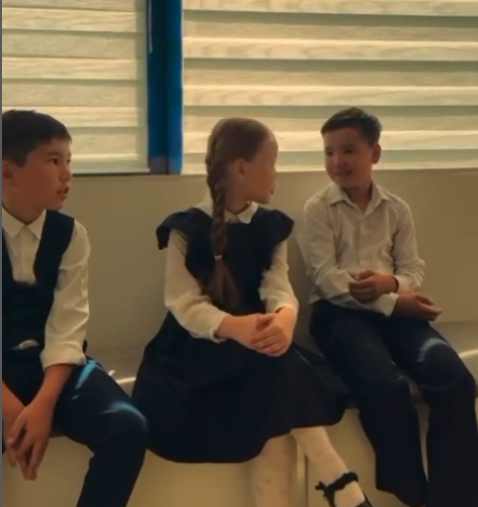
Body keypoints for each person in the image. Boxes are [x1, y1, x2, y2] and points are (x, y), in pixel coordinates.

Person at [133, 117, 373, 507]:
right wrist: (232, 327)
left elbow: (278, 285)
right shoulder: (186, 229)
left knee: (273, 371)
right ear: (242, 167)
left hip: (259, 342)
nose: (277, 173)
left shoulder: (271, 226)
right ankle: (339, 482)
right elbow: (183, 303)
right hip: (199, 349)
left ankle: (335, 485)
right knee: (274, 371)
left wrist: (285, 317)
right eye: (272, 162)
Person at [298, 107, 478, 507]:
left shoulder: (397, 209)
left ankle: (454, 499)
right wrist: (394, 302)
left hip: (399, 312)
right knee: (384, 384)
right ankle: (410, 489)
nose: (337, 161)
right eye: (329, 152)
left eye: (348, 150)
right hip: (339, 315)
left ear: (374, 153)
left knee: (456, 381)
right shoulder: (317, 210)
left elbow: (412, 267)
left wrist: (391, 284)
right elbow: (328, 279)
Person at [2, 109, 149, 507]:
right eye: (53, 161)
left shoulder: (71, 235)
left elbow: (67, 327)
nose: (67, 174)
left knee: (127, 426)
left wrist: (44, 404)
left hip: (55, 368)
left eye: (69, 160)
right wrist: (10, 407)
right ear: (8, 172)